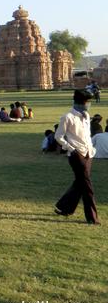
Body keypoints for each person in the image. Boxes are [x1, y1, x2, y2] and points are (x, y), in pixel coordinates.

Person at [54, 89, 99, 225]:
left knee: (80, 183)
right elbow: (58, 136)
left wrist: (92, 149)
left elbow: (86, 135)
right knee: (87, 186)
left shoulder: (86, 116)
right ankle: (92, 218)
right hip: (76, 154)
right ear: (80, 102)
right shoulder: (67, 117)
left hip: (88, 153)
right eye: (87, 102)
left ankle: (64, 207)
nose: (89, 104)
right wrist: (71, 148)